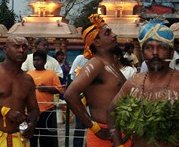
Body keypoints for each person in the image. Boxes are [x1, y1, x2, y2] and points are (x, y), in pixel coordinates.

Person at [107, 19, 179, 147]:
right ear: (142, 53)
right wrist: (118, 144)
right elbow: (111, 111)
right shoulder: (133, 83)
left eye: (162, 48)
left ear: (171, 53)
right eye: (149, 48)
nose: (155, 53)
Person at [64, 14, 131, 147]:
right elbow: (70, 94)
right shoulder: (95, 64)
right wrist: (95, 128)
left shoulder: (110, 64)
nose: (114, 35)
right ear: (97, 42)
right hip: (105, 136)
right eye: (108, 33)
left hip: (120, 133)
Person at [0, 36, 39, 146]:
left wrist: (31, 125)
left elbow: (34, 109)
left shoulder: (28, 80)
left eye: (25, 47)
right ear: (5, 48)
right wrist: (5, 112)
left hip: (18, 138)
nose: (21, 50)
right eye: (17, 46)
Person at [27, 50, 62, 147]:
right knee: (32, 138)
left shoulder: (51, 74)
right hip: (31, 111)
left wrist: (46, 88)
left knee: (46, 138)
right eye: (34, 60)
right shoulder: (28, 74)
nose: (36, 62)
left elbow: (59, 89)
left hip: (47, 111)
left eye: (38, 60)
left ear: (45, 61)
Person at [69, 54, 88, 147]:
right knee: (80, 126)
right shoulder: (80, 59)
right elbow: (72, 77)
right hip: (81, 98)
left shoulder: (100, 58)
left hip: (96, 98)